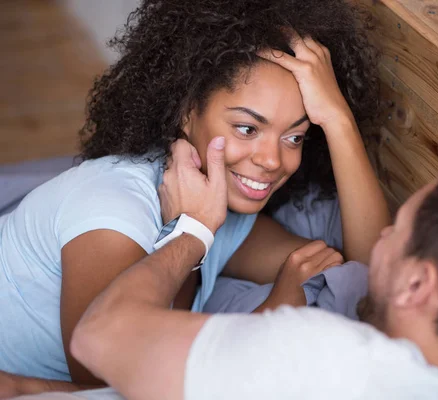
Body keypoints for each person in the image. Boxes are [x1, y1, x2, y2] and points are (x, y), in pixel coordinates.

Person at [0, 0, 390, 390]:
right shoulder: (114, 211)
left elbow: (368, 274)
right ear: (186, 111)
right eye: (247, 128)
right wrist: (273, 311)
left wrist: (338, 119)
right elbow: (107, 385)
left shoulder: (226, 213)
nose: (273, 160)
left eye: (294, 137)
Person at [9, 152, 438, 400]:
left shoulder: (331, 359)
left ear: (418, 286)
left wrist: (193, 231)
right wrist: (37, 388)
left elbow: (98, 334)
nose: (378, 240)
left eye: (396, 232)